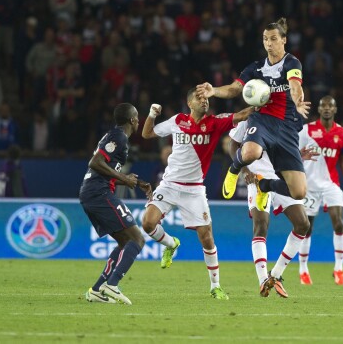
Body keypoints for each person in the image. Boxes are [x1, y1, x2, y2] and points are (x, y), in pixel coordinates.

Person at [141, 88, 253, 300]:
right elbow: (147, 133)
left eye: (206, 99)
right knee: (147, 223)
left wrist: (262, 102)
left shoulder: (215, 122)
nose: (204, 101)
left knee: (207, 237)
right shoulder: (178, 120)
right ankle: (171, 244)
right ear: (189, 103)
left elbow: (242, 115)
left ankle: (215, 286)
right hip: (170, 184)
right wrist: (152, 114)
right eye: (199, 98)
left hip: (194, 189)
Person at [196, 17, 311, 214]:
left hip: (287, 127)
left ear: (284, 40)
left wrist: (298, 99)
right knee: (250, 153)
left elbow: (294, 85)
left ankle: (265, 186)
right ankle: (234, 169)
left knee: (299, 192)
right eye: (265, 39)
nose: (269, 43)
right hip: (262, 119)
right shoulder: (255, 68)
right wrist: (213, 91)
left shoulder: (292, 62)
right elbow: (234, 89)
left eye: (273, 38)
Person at [228, 120, 312, 298]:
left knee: (303, 224)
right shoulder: (252, 119)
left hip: (281, 176)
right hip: (257, 178)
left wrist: (298, 155)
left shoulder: (285, 120)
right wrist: (243, 171)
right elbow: (233, 144)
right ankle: (262, 280)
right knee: (261, 225)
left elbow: (282, 149)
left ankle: (276, 274)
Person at [79, 103, 152, 305]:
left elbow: (104, 169)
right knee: (137, 240)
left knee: (124, 242)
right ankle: (112, 285)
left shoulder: (116, 136)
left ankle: (96, 290)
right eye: (137, 117)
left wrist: (134, 182)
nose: (139, 120)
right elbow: (95, 163)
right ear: (131, 120)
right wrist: (124, 177)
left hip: (93, 192)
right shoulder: (118, 136)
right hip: (98, 193)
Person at [298, 96, 343, 286]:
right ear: (319, 109)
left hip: (331, 185)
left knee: (339, 224)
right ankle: (303, 270)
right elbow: (293, 153)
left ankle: (339, 269)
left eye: (330, 106)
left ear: (335, 110)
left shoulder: (342, 133)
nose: (327, 108)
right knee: (306, 228)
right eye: (323, 106)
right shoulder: (306, 130)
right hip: (308, 186)